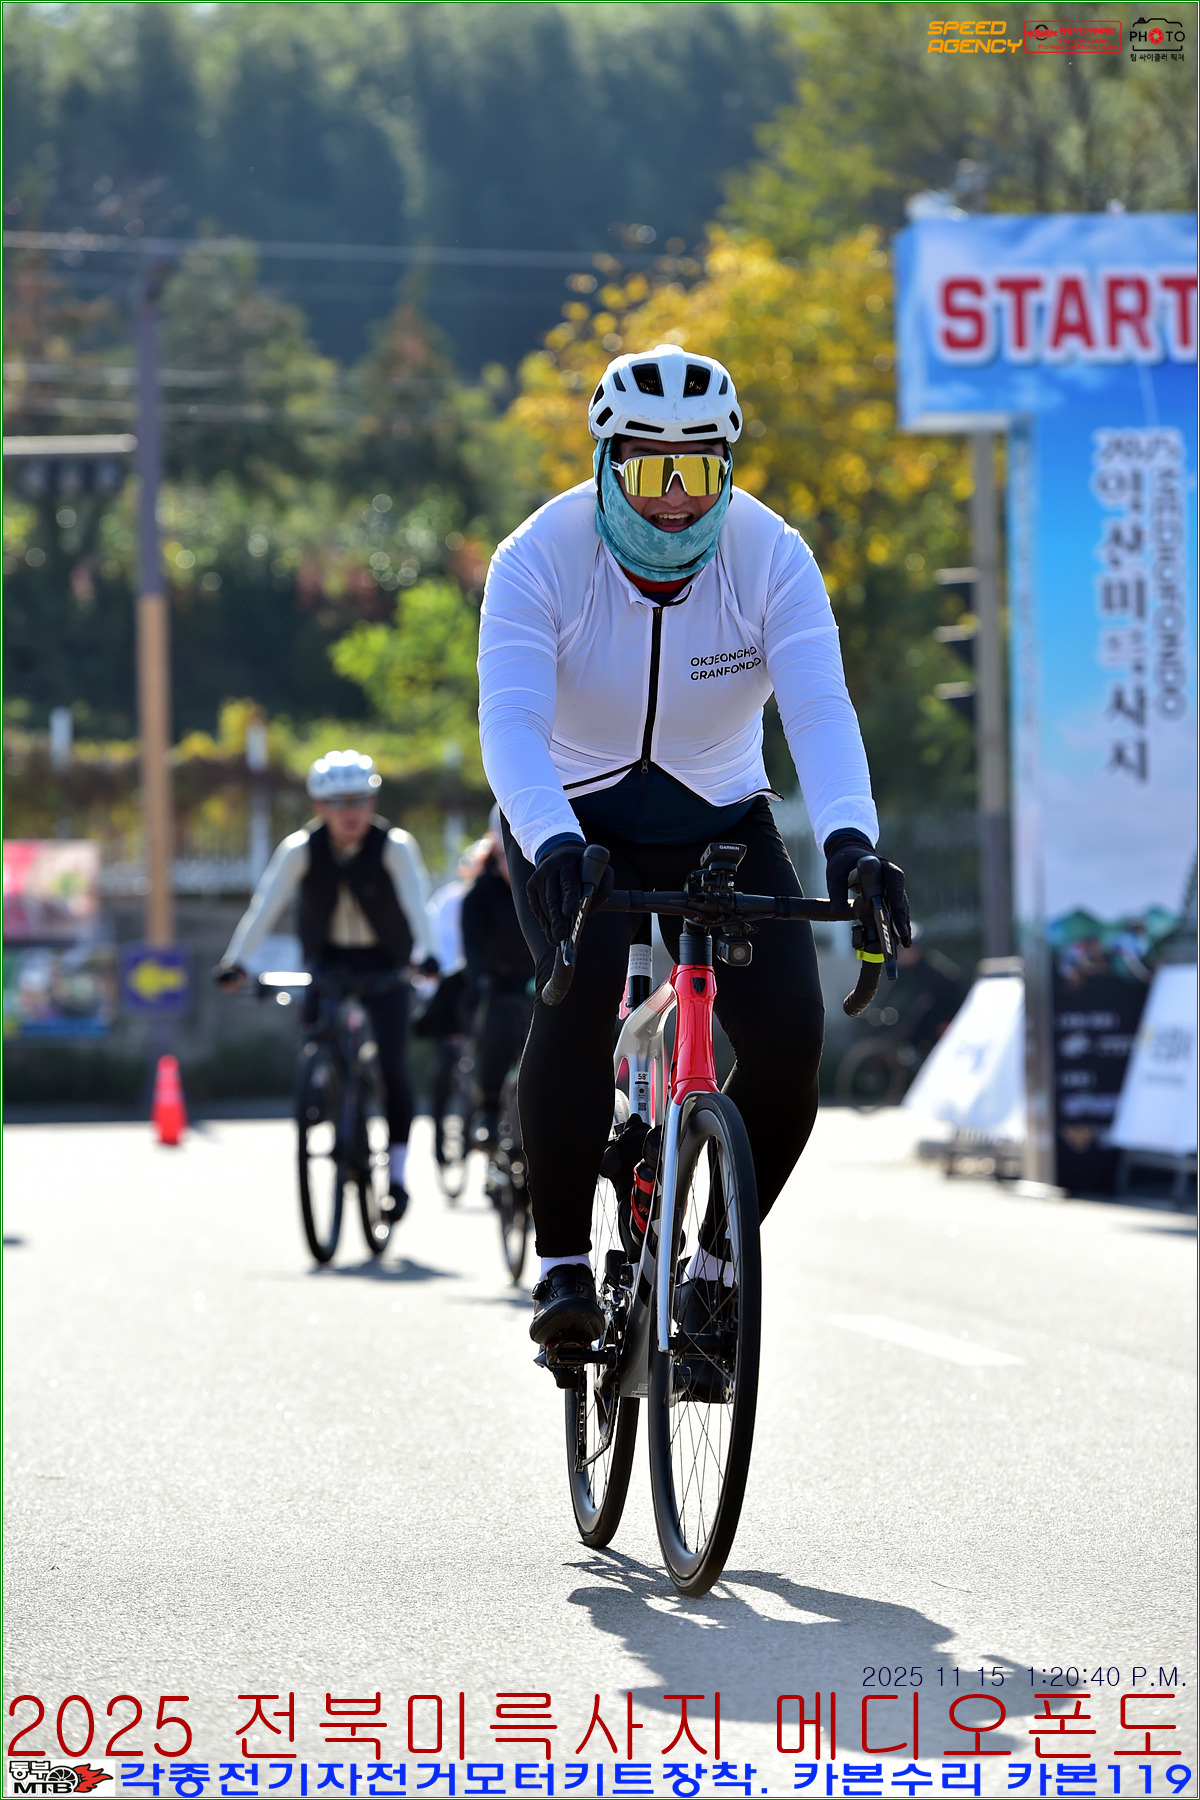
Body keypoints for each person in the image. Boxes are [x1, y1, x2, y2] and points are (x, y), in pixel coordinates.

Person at [477, 343, 911, 1351]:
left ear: (727, 469)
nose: (674, 499)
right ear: (604, 465)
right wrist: (551, 842)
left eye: (699, 471)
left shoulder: (771, 555)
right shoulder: (538, 556)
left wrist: (852, 843)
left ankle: (715, 1269)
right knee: (577, 995)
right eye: (648, 472)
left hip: (715, 812)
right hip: (570, 819)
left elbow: (820, 712)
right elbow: (510, 724)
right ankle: (562, 1268)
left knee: (791, 1043)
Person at [215, 749, 434, 1222]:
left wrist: (428, 955)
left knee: (394, 1066)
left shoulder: (394, 846)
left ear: (373, 801)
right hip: (327, 961)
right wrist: (236, 962)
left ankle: (397, 1177)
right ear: (319, 806)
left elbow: (418, 905)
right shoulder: (299, 849)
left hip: (386, 962)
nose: (350, 812)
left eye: (360, 800)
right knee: (316, 1039)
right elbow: (265, 906)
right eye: (338, 802)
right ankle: (324, 1097)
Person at [459, 807, 535, 1150]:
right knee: (497, 1030)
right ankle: (488, 1110)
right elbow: (472, 947)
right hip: (497, 983)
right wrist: (482, 980)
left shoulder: (542, 882)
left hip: (538, 978)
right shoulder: (480, 894)